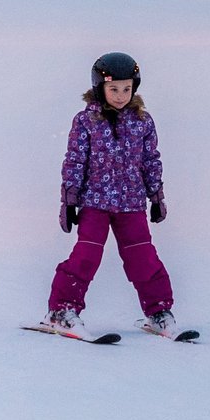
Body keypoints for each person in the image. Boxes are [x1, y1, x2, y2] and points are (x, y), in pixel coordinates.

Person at [42, 52, 187, 340]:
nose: (120, 96)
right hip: (94, 203)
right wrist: (69, 200)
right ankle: (61, 311)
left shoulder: (142, 121)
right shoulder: (86, 121)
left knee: (144, 259)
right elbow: (74, 161)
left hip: (131, 204)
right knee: (86, 257)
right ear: (100, 88)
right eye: (114, 89)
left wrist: (156, 196)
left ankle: (159, 312)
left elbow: (151, 160)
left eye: (126, 89)